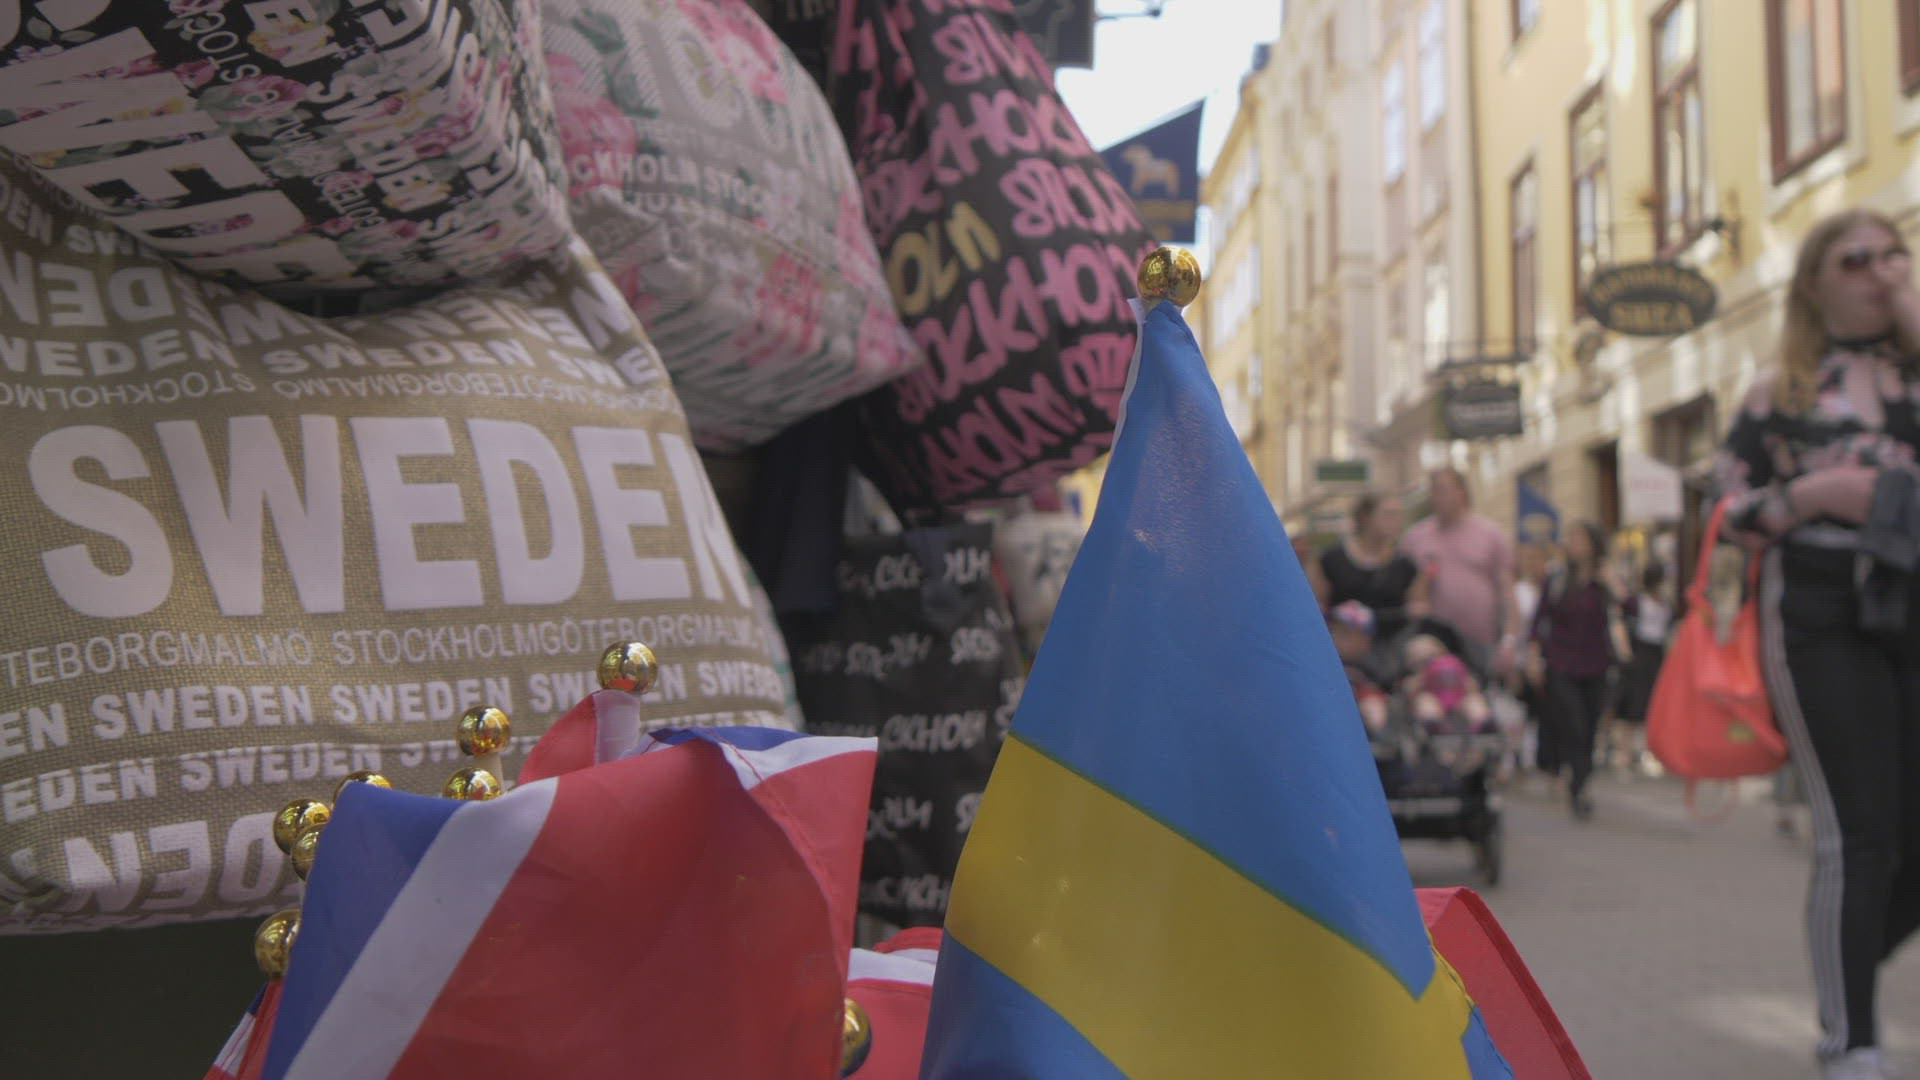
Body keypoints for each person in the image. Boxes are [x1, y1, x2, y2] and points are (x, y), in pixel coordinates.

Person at [1714, 208, 1920, 1080]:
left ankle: (1847, 958)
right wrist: (1814, 496)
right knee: (1859, 833)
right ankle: (1852, 1045)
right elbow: (1727, 511)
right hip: (1822, 612)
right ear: (1815, 284)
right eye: (1857, 259)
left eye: (1895, 254)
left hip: (1911, 600)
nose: (1881, 271)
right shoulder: (1782, 391)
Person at [1527, 521, 1624, 822]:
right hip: (1562, 662)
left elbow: (1630, 610)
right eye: (1571, 538)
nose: (1573, 544)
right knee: (1574, 722)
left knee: (1591, 726)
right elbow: (1540, 618)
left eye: (1579, 538)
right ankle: (1577, 784)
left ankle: (1580, 782)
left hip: (1596, 663)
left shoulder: (1604, 579)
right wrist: (1534, 656)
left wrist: (1614, 585)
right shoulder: (1557, 579)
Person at [1404, 468, 1524, 675]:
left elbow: (1507, 592)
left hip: (1481, 642)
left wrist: (1509, 641)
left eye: (1443, 489)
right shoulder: (1416, 538)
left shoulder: (1490, 534)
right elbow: (1406, 591)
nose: (1437, 496)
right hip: (1433, 644)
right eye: (1433, 490)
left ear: (1462, 492)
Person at [1317, 492, 1430, 642]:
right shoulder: (1332, 559)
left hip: (1390, 645)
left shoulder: (1405, 564)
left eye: (1399, 515)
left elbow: (1418, 606)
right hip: (1343, 645)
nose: (1396, 521)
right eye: (1389, 514)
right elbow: (1318, 603)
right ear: (1365, 517)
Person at [1610, 562, 1673, 770]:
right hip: (1638, 652)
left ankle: (1649, 751)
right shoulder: (1635, 602)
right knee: (1631, 702)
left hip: (1657, 654)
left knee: (1652, 701)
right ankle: (1625, 751)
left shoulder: (1666, 604)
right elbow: (1619, 621)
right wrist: (1625, 650)